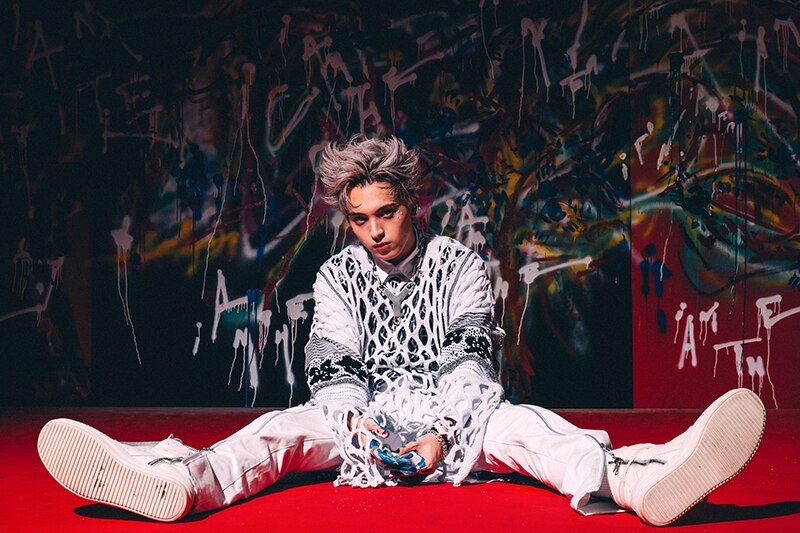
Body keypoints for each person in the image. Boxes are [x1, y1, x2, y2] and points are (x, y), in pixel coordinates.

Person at [38, 135, 766, 526]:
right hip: (362, 426)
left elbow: (470, 366)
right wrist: (361, 428)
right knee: (278, 432)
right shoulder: (336, 275)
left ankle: (635, 478)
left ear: (411, 204)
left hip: (456, 418)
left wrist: (444, 434)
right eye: (360, 219)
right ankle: (179, 478)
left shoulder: (460, 265)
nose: (375, 231)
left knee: (527, 430)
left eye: (385, 213)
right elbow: (333, 376)